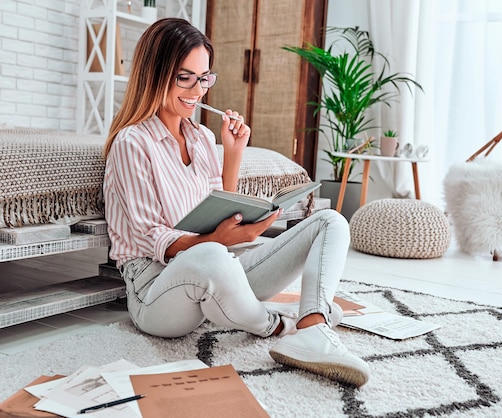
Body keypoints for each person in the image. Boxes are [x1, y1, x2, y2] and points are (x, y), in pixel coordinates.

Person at [102, 18, 370, 387]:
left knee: (331, 222)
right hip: (157, 290)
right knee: (211, 255)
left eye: (204, 77)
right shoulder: (132, 143)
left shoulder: (199, 136)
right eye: (185, 78)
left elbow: (220, 206)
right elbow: (152, 238)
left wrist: (233, 154)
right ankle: (279, 325)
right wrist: (219, 241)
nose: (197, 91)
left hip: (217, 275)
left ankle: (312, 325)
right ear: (155, 74)